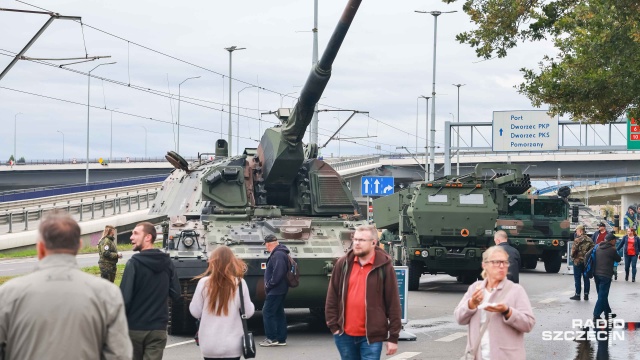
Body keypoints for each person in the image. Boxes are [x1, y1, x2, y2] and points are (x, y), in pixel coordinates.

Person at [0, 211, 132, 359]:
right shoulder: (107, 294)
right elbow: (119, 354)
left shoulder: (9, 294)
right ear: (78, 246)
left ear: (40, 248)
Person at [325, 224, 401, 360]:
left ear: (373, 242)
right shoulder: (343, 264)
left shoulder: (384, 266)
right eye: (355, 239)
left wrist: (393, 337)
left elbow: (393, 302)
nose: (357, 243)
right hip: (344, 335)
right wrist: (334, 327)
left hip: (371, 336)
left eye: (362, 240)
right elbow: (332, 296)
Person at [454, 246, 535, 360]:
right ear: (484, 265)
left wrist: (507, 311)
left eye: (505, 262)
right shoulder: (475, 289)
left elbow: (528, 324)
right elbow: (459, 318)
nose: (501, 266)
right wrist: (471, 303)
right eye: (496, 262)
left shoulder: (516, 290)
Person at [120, 222, 181, 360]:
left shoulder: (134, 263)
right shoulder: (167, 262)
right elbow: (176, 293)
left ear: (148, 237)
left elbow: (125, 299)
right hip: (158, 328)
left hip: (134, 329)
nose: (131, 237)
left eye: (135, 233)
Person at [189, 246, 255, 360]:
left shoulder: (204, 283)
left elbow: (195, 311)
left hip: (209, 344)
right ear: (232, 262)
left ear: (212, 262)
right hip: (233, 345)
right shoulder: (240, 283)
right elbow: (248, 313)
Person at [259, 234, 290, 347]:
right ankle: (281, 338)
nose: (266, 248)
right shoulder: (280, 253)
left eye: (266, 245)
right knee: (278, 312)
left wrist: (270, 284)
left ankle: (271, 338)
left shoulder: (277, 254)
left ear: (268, 244)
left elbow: (279, 272)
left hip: (276, 289)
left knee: (267, 312)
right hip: (280, 288)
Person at [587, 233, 621, 322]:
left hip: (596, 274)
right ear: (611, 240)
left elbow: (587, 255)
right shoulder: (612, 249)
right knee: (603, 295)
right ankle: (596, 314)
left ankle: (608, 313)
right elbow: (618, 259)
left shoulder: (597, 247)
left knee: (601, 295)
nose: (616, 241)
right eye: (615, 240)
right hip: (606, 275)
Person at [570, 225, 594, 300]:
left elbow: (573, 251)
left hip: (578, 261)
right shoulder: (590, 240)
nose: (576, 232)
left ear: (580, 231)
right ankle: (586, 294)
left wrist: (573, 257)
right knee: (586, 278)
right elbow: (593, 250)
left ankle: (577, 294)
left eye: (576, 231)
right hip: (586, 262)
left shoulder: (577, 240)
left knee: (577, 278)